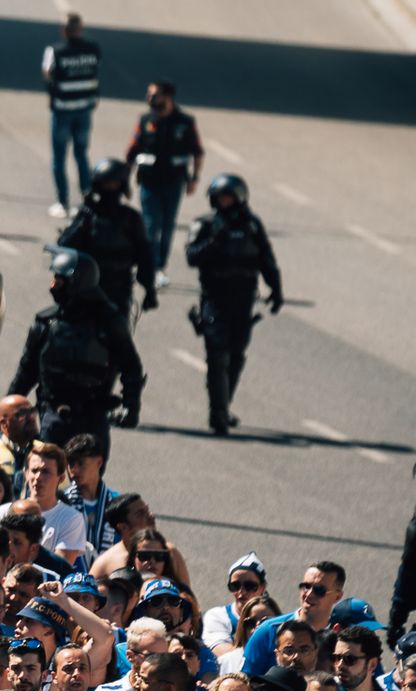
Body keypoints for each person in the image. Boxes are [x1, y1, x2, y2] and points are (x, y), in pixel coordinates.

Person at [7, 249, 143, 451]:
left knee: (89, 471)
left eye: (58, 281)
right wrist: (9, 407)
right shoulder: (46, 323)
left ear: (76, 283)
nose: (53, 286)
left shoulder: (109, 324)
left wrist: (131, 407)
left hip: (93, 419)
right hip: (53, 417)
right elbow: (26, 371)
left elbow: (131, 367)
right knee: (46, 468)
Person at [184, 174, 283, 435]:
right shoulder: (205, 224)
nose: (224, 202)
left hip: (244, 302)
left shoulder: (252, 225)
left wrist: (276, 289)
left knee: (236, 356)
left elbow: (266, 259)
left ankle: (224, 406)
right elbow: (192, 257)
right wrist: (214, 243)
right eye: (220, 198)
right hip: (215, 301)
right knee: (217, 357)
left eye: (228, 198)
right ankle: (217, 415)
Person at [126, 80, 205, 286]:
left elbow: (197, 152)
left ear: (168, 98)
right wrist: (125, 180)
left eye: (155, 95)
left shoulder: (185, 122)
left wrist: (194, 178)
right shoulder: (145, 120)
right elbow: (132, 150)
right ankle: (148, 266)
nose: (149, 98)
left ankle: (160, 266)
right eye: (149, 94)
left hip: (174, 183)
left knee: (167, 227)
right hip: (149, 183)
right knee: (150, 226)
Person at [57, 158, 156, 319]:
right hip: (84, 288)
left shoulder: (131, 218)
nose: (109, 188)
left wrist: (149, 289)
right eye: (105, 184)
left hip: (117, 291)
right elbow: (64, 246)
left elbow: (145, 256)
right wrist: (83, 220)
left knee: (118, 333)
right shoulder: (87, 215)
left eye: (113, 184)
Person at [41, 14, 101, 219]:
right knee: (81, 155)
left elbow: (47, 73)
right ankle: (87, 200)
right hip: (84, 108)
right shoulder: (92, 49)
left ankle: (62, 201)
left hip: (62, 110)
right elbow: (95, 72)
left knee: (59, 157)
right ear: (80, 29)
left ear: (63, 30)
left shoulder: (55, 51)